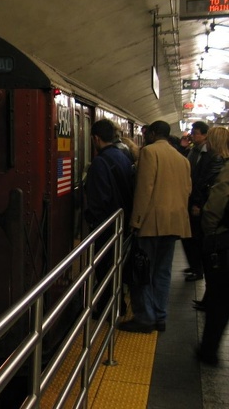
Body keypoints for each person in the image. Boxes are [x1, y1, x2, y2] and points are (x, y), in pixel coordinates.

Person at [118, 120, 191, 333]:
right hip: (174, 222)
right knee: (162, 271)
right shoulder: (181, 158)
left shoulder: (149, 152)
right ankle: (160, 316)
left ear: (153, 133)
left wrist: (136, 221)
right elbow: (187, 189)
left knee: (143, 270)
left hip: (152, 222)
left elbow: (144, 190)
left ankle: (145, 317)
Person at [85, 119, 135, 318]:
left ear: (96, 138)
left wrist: (91, 220)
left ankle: (108, 309)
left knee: (104, 267)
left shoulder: (100, 162)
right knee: (116, 266)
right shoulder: (122, 156)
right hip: (122, 221)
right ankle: (118, 304)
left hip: (106, 226)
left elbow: (99, 199)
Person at [196, 126, 229, 366]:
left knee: (220, 299)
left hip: (224, 240)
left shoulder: (225, 168)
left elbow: (215, 206)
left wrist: (210, 234)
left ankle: (208, 351)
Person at [182, 121, 220, 282]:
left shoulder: (211, 155)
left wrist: (198, 203)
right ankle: (194, 265)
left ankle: (198, 270)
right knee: (188, 236)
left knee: (196, 237)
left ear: (205, 135)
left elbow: (203, 181)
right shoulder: (192, 151)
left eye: (195, 132)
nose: (192, 134)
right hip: (189, 198)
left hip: (198, 201)